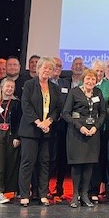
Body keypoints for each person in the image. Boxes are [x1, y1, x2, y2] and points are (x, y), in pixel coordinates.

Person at [18, 57, 62, 206]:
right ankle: (24, 194)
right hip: (30, 130)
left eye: (50, 68)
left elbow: (57, 108)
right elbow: (26, 106)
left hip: (47, 130)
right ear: (38, 69)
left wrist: (48, 121)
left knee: (44, 162)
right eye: (45, 68)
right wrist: (38, 122)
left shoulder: (54, 88)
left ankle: (43, 193)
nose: (47, 71)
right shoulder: (29, 84)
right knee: (27, 162)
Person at [63, 68, 105, 208]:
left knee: (89, 164)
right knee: (77, 164)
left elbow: (103, 113)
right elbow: (66, 113)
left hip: (93, 132)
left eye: (93, 79)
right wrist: (80, 127)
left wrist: (96, 126)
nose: (90, 81)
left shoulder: (98, 93)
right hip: (77, 132)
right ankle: (75, 195)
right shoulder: (74, 92)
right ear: (83, 79)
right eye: (88, 78)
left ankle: (85, 195)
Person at [89, 59, 109, 202]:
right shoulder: (84, 83)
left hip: (103, 128)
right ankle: (86, 189)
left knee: (103, 160)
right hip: (87, 128)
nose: (98, 73)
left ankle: (99, 190)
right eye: (96, 70)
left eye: (101, 71)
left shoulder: (108, 85)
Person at [48, 57, 71, 200]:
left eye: (60, 66)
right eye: (55, 65)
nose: (58, 68)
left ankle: (59, 186)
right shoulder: (44, 82)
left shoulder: (65, 83)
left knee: (61, 158)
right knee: (48, 157)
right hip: (48, 124)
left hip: (63, 125)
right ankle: (44, 187)